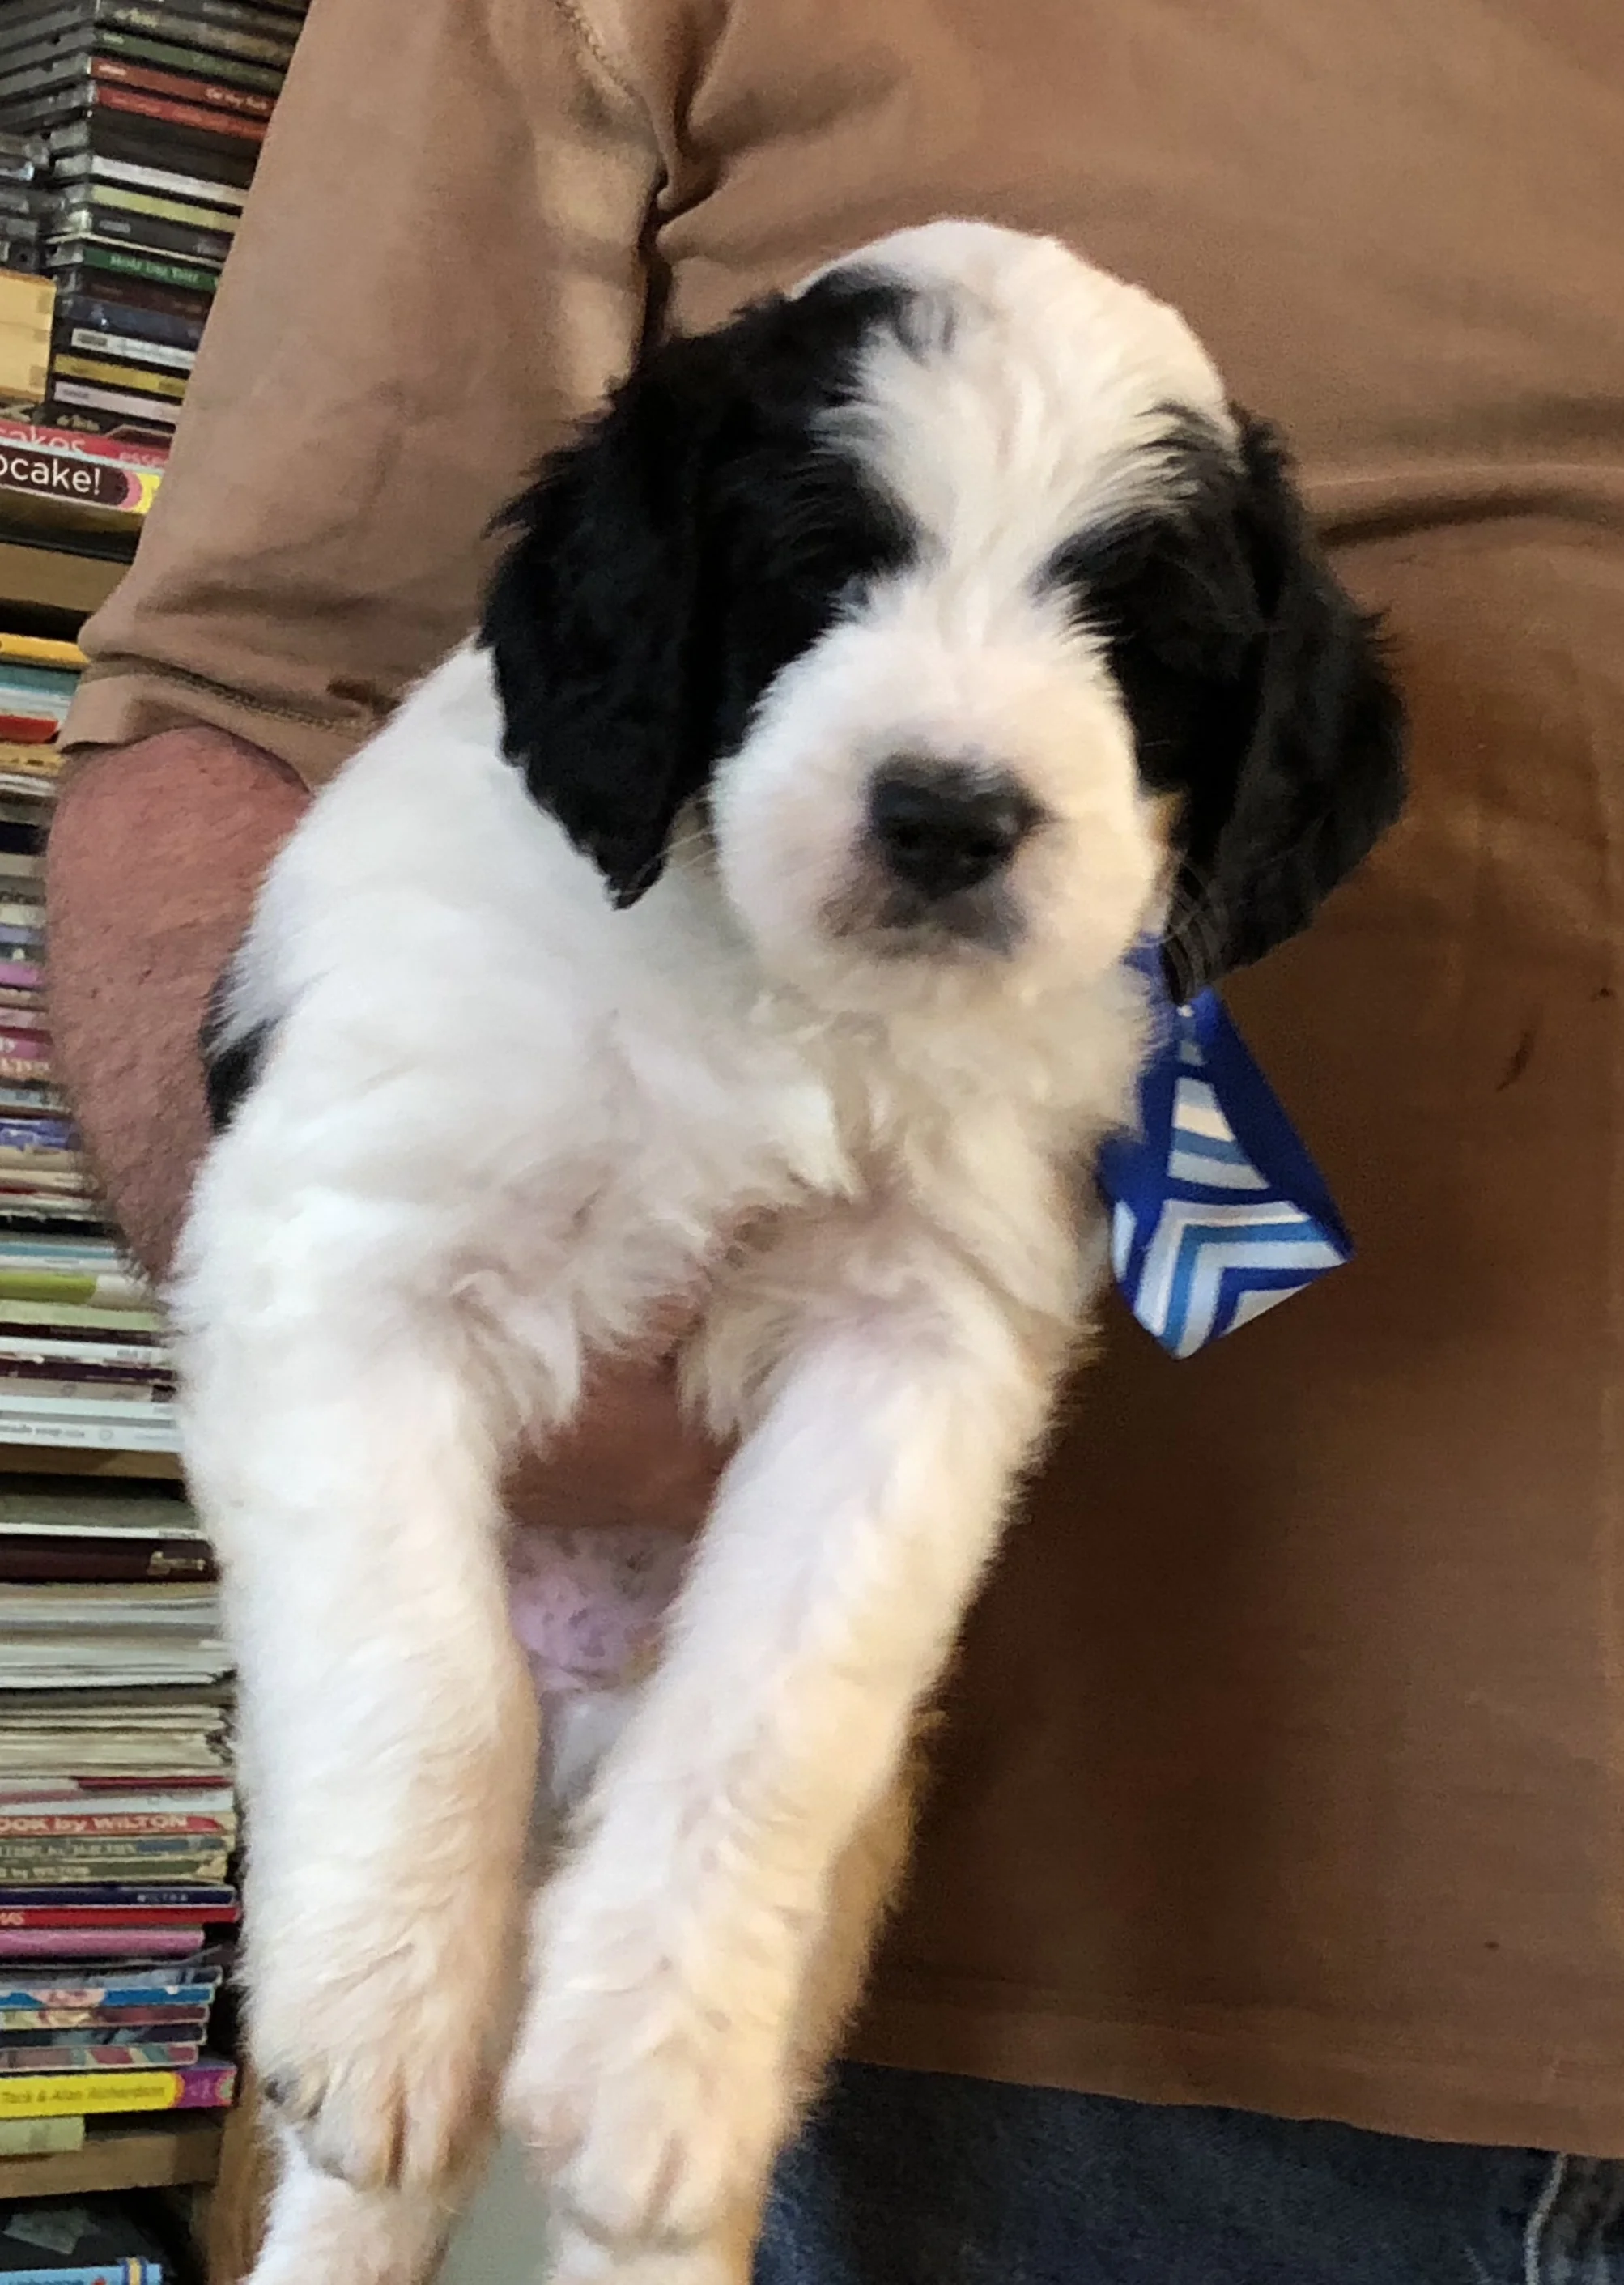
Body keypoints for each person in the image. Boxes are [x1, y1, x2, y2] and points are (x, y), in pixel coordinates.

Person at [44, 1, 1624, 2278]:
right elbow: (241, 690)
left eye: (1118, 636)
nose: (968, 736)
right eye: (826, 576)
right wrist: (442, 1645)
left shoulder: (1116, 901)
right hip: (1130, 2034)